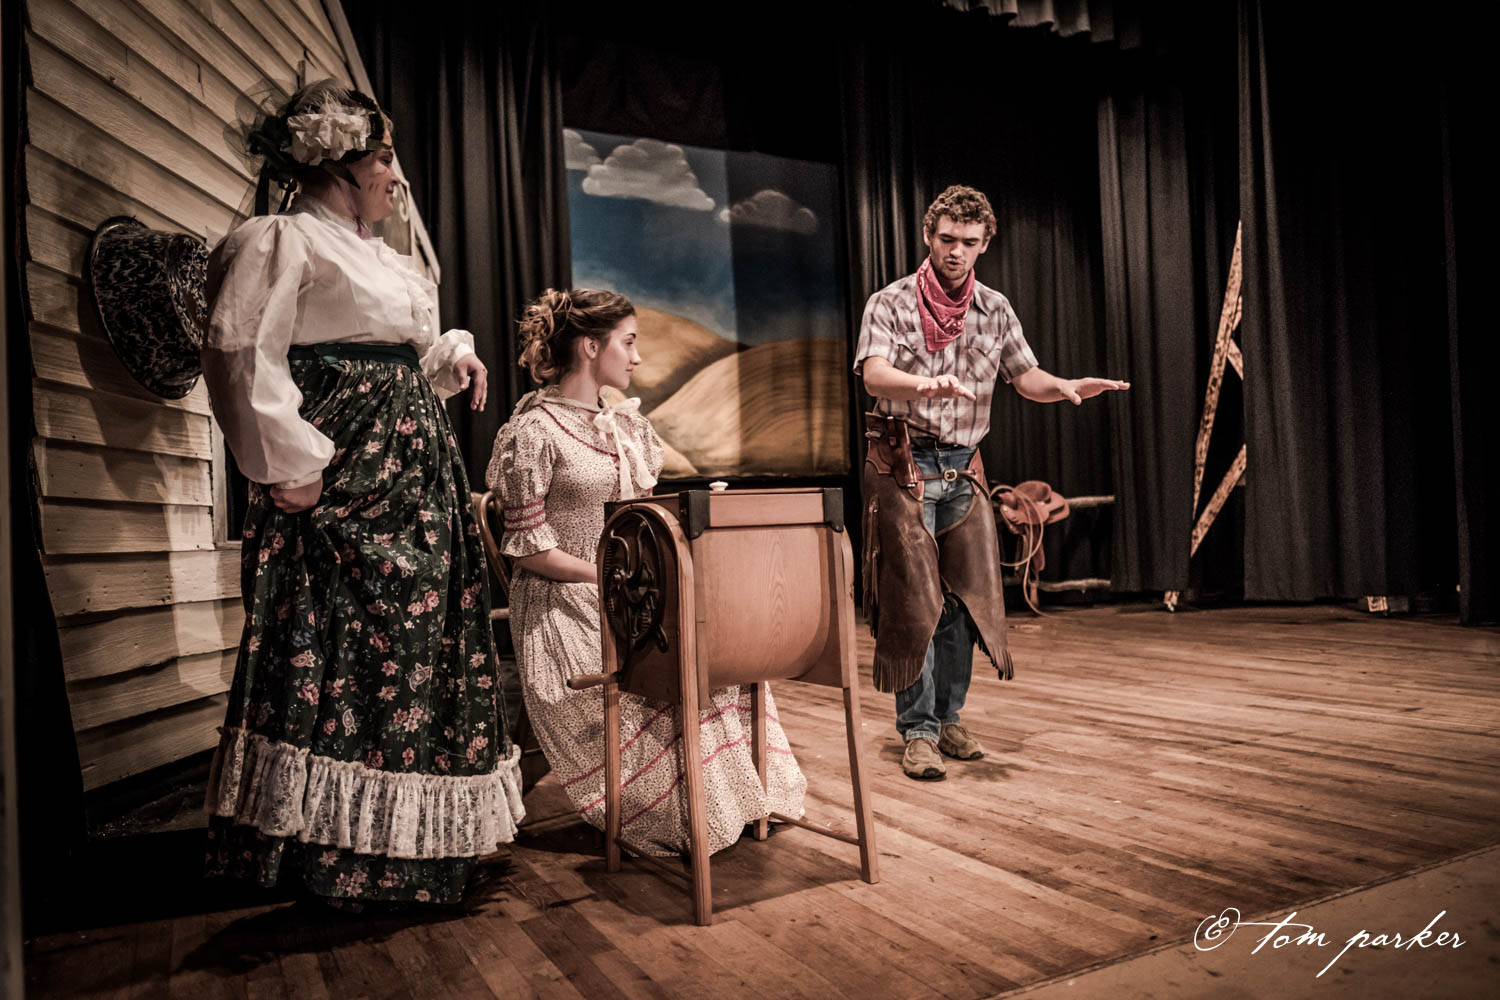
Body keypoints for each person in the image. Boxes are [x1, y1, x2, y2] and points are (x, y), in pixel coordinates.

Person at [199, 81, 523, 906]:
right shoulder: (282, 239)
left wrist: (449, 359)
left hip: (412, 476)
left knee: (417, 645)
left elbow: (393, 357)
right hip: (341, 477)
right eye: (382, 158)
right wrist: (289, 464)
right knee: (341, 639)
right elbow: (241, 348)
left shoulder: (382, 256)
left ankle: (410, 846)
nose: (395, 176)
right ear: (337, 163)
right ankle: (326, 849)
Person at [488, 289, 807, 856]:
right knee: (659, 651)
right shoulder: (534, 432)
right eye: (628, 343)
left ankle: (742, 793)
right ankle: (679, 804)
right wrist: (609, 577)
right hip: (564, 595)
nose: (637, 358)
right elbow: (530, 553)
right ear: (591, 347)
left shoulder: (627, 427)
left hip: (629, 588)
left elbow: (644, 518)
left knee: (717, 636)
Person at [855, 184, 1128, 781]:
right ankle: (918, 731)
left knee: (965, 601)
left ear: (984, 245)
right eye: (947, 238)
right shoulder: (890, 302)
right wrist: (923, 385)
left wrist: (1064, 386)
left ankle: (948, 718)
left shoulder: (994, 309)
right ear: (929, 237)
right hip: (904, 466)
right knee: (916, 601)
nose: (956, 250)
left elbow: (1025, 376)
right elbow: (874, 375)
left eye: (969, 242)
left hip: (964, 468)